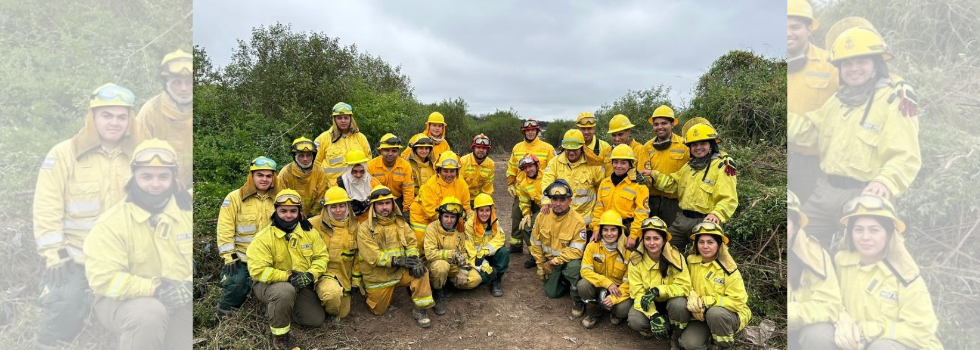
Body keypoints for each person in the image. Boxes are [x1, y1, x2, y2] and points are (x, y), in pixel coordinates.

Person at [788, 26, 921, 248]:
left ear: (875, 65)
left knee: (866, 258)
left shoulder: (893, 101)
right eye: (847, 63)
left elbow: (905, 156)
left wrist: (884, 181)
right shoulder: (837, 101)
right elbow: (809, 131)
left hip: (866, 192)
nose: (854, 69)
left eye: (862, 61)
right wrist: (775, 116)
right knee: (796, 242)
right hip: (825, 191)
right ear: (839, 68)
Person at [32, 83, 139, 349]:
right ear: (92, 117)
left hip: (126, 257)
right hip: (77, 256)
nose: (114, 122)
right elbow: (47, 207)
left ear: (129, 120)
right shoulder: (64, 154)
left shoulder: (139, 156)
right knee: (64, 305)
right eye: (107, 115)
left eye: (121, 116)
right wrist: (54, 253)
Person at [82, 139, 192, 350]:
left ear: (173, 179)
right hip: (123, 301)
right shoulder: (111, 223)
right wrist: (154, 289)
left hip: (178, 301)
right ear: (134, 177)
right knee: (148, 314)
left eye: (163, 177)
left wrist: (187, 285)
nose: (155, 184)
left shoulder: (185, 211)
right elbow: (103, 279)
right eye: (146, 176)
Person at [832, 196, 941, 350]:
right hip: (855, 342)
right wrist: (841, 319)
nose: (865, 237)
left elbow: (921, 332)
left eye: (874, 230)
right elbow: (827, 298)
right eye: (858, 229)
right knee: (821, 333)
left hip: (901, 346)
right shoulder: (841, 261)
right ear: (849, 233)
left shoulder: (906, 275)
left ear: (889, 234)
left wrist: (868, 330)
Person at [246, 189, 329, 350]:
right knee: (284, 292)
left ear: (299, 213)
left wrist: (311, 275)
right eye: (283, 211)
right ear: (275, 211)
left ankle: (278, 309)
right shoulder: (263, 237)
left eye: (293, 211)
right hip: (269, 285)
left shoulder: (309, 232)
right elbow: (257, 271)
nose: (288, 215)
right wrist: (287, 276)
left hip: (298, 284)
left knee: (315, 320)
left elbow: (321, 257)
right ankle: (280, 340)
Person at [647, 123, 738, 249]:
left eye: (703, 143)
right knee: (665, 250)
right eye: (694, 144)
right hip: (682, 220)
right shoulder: (688, 167)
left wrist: (716, 214)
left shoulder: (722, 167)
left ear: (711, 145)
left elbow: (729, 198)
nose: (698, 147)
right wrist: (652, 174)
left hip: (706, 221)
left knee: (704, 259)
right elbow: (672, 185)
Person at [357, 185, 435, 328]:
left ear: (393, 204)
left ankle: (420, 310)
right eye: (380, 204)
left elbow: (411, 243)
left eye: (387, 203)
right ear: (373, 206)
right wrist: (397, 260)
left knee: (421, 271)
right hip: (378, 277)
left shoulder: (401, 223)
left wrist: (413, 259)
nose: (384, 207)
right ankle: (379, 295)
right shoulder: (364, 229)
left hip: (399, 272)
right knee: (378, 311)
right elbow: (373, 256)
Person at [215, 156, 284, 319]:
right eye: (260, 175)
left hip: (269, 258)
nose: (264, 179)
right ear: (251, 176)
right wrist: (229, 256)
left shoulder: (280, 199)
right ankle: (223, 316)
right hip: (242, 257)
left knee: (283, 285)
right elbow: (225, 228)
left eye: (269, 176)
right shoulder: (234, 198)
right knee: (236, 283)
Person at [787, 0, 840, 202]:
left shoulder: (831, 64)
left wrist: (899, 86)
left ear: (809, 28)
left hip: (814, 162)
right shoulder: (771, 68)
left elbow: (865, 79)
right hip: (780, 159)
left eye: (795, 27)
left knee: (809, 224)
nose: (788, 33)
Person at [787, 190, 842, 350]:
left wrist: (793, 314)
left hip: (804, 329)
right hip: (770, 328)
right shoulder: (758, 251)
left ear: (797, 226)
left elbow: (830, 305)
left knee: (820, 335)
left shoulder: (816, 254)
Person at [683, 223, 751, 350]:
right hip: (701, 315)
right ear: (696, 244)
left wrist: (707, 301)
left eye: (710, 242)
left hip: (728, 314)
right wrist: (691, 294)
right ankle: (708, 337)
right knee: (689, 344)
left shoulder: (728, 269)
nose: (705, 246)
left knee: (715, 314)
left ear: (719, 244)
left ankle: (724, 345)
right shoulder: (691, 261)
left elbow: (738, 301)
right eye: (701, 242)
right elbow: (683, 282)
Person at [627, 216, 691, 345]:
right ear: (642, 240)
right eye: (647, 239)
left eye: (656, 238)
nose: (651, 243)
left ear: (664, 240)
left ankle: (676, 333)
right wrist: (653, 315)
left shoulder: (676, 258)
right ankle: (654, 327)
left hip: (671, 302)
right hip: (649, 302)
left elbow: (685, 286)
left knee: (679, 304)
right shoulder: (635, 260)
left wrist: (658, 291)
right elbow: (637, 293)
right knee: (635, 319)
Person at [136, 49, 194, 189]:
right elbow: (139, 163)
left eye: (189, 82)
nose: (184, 88)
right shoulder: (149, 114)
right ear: (166, 83)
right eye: (177, 82)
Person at [530, 180, 587, 317]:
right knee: (551, 293)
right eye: (554, 199)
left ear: (570, 201)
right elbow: (536, 243)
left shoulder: (578, 221)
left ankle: (577, 298)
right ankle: (563, 281)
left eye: (562, 199)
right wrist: (539, 266)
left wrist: (554, 262)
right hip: (550, 262)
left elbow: (576, 250)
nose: (557, 203)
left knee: (573, 268)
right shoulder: (542, 216)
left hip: (567, 261)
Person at [309, 187, 363, 319]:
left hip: (343, 276)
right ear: (326, 208)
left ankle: (326, 308)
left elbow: (358, 257)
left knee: (342, 313)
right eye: (333, 207)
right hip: (319, 273)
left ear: (347, 206)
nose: (338, 210)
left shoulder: (356, 227)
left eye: (341, 206)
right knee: (331, 294)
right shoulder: (313, 224)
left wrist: (356, 281)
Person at [540, 129, 605, 240]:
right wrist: (546, 201)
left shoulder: (593, 165)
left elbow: (602, 188)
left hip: (586, 224)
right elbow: (547, 182)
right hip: (562, 220)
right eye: (568, 149)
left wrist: (598, 221)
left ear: (582, 148)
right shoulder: (555, 163)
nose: (571, 153)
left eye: (574, 150)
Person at [424, 197, 483, 315]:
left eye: (452, 217)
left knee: (476, 279)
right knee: (441, 266)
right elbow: (429, 254)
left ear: (457, 219)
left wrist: (463, 270)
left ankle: (448, 283)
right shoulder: (432, 228)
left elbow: (464, 252)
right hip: (435, 264)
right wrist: (451, 254)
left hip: (454, 267)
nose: (449, 220)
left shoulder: (460, 229)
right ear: (440, 216)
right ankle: (438, 292)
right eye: (446, 216)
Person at [505, 119, 555, 254]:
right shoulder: (517, 148)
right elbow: (511, 168)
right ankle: (516, 245)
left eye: (533, 130)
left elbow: (554, 169)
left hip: (542, 191)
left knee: (540, 221)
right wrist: (511, 183)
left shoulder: (548, 148)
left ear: (538, 131)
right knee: (517, 216)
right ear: (524, 132)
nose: (531, 132)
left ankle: (540, 251)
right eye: (528, 130)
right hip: (523, 189)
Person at [578, 211, 633, 329]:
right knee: (583, 285)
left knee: (623, 309)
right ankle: (594, 313)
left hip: (618, 290)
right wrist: (607, 283)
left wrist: (613, 298)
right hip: (599, 285)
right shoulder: (592, 246)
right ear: (601, 231)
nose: (609, 233)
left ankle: (615, 313)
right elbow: (585, 271)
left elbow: (630, 282)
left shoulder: (628, 252)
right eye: (605, 230)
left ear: (619, 231)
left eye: (613, 230)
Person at [410, 150, 472, 252]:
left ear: (457, 171)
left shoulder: (462, 184)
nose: (449, 175)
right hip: (422, 216)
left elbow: (466, 207)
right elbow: (431, 212)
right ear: (438, 171)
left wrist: (467, 220)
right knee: (422, 241)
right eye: (445, 171)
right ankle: (419, 261)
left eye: (452, 171)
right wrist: (454, 221)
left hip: (447, 216)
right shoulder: (431, 185)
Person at [591, 144, 650, 250]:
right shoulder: (605, 183)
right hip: (607, 229)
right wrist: (596, 228)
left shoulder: (638, 185)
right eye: (616, 162)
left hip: (627, 230)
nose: (618, 166)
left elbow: (642, 214)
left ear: (630, 164)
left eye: (623, 162)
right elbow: (599, 209)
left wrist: (633, 236)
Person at [638, 105, 689, 227]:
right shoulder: (647, 147)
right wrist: (644, 180)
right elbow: (644, 172)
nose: (659, 127)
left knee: (672, 239)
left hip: (675, 202)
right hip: (652, 202)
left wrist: (725, 158)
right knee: (651, 239)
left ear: (672, 124)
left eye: (664, 123)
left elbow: (704, 152)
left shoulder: (684, 145)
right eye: (656, 124)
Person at [313, 102, 371, 185]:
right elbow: (315, 165)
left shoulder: (361, 138)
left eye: (346, 118)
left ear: (351, 119)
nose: (343, 121)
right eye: (339, 118)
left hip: (358, 185)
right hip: (333, 188)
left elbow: (368, 161)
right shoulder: (323, 138)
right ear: (334, 119)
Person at [465, 194, 509, 297]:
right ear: (476, 211)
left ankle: (496, 281)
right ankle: (490, 274)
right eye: (481, 210)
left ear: (491, 211)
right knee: (483, 278)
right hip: (476, 258)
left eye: (487, 210)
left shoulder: (494, 222)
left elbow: (500, 238)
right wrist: (485, 267)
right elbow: (469, 251)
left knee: (504, 252)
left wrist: (485, 251)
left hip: (487, 254)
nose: (484, 214)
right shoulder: (469, 225)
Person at [278, 136, 329, 218]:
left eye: (308, 155)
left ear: (313, 156)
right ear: (295, 157)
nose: (305, 159)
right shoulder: (285, 173)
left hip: (313, 217)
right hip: (290, 216)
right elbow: (280, 200)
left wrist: (312, 218)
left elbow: (320, 198)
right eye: (301, 156)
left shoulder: (319, 172)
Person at [367, 133, 415, 213]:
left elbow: (408, 191)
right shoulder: (371, 165)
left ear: (398, 151)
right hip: (377, 200)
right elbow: (367, 190)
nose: (390, 154)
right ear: (381, 151)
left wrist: (406, 210)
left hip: (397, 200)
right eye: (386, 150)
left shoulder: (405, 166)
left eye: (394, 151)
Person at [513, 154, 545, 268]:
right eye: (525, 167)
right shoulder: (524, 184)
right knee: (526, 227)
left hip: (554, 207)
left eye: (530, 166)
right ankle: (536, 256)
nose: (528, 170)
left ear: (537, 165)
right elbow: (524, 201)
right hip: (542, 210)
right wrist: (526, 214)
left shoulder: (548, 176)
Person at [336, 149, 382, 223]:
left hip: (371, 222)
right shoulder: (339, 184)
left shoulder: (373, 183)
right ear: (349, 169)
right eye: (354, 172)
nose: (358, 175)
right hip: (347, 223)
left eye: (362, 171)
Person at [405, 133, 437, 213]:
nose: (424, 151)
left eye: (427, 148)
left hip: (430, 202)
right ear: (415, 149)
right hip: (412, 203)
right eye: (421, 148)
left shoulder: (433, 166)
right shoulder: (407, 164)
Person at [460, 133, 495, 203]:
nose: (481, 150)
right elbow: (458, 185)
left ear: (487, 150)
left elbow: (487, 189)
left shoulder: (490, 164)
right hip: (462, 198)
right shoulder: (463, 161)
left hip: (479, 199)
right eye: (478, 147)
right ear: (473, 148)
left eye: (484, 148)